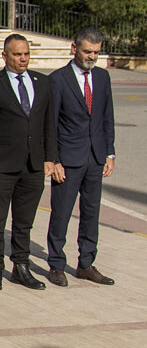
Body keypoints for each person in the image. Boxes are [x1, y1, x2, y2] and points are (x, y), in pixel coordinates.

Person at [0, 34, 55, 292]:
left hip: (33, 165)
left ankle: (21, 265)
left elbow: (48, 125)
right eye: (17, 54)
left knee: (24, 221)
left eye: (26, 54)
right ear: (5, 56)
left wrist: (50, 158)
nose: (23, 59)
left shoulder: (42, 83)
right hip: (1, 164)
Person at [46, 28, 116, 287]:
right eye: (87, 51)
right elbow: (50, 124)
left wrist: (109, 153)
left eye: (96, 52)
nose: (92, 57)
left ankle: (86, 263)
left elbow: (106, 117)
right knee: (61, 213)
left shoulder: (102, 77)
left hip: (95, 158)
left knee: (91, 212)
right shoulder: (57, 79)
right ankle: (56, 264)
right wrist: (54, 160)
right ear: (74, 47)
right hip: (68, 160)